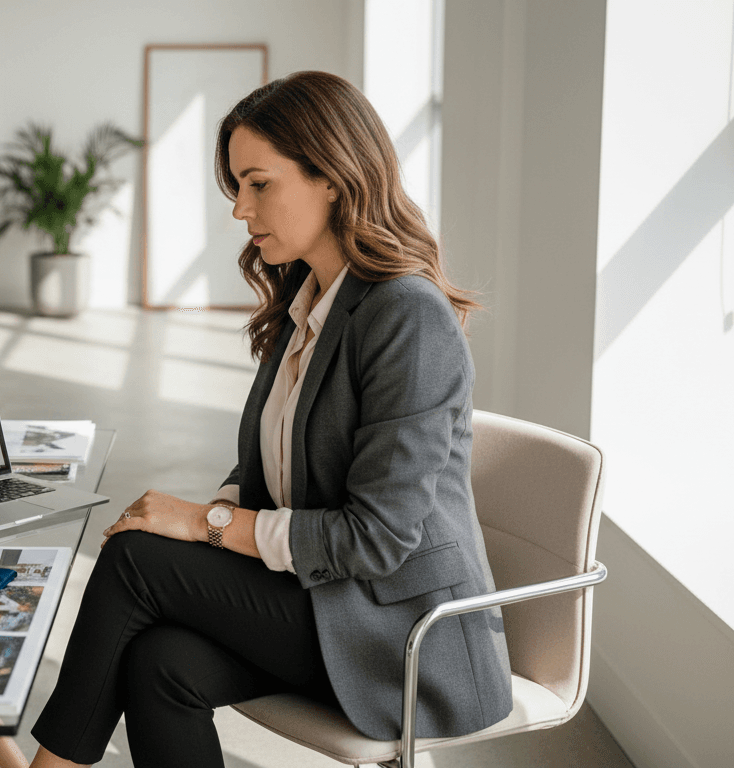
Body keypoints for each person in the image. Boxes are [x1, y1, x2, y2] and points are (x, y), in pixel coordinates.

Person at [28, 71, 513, 768]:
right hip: (323, 598)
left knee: (134, 560)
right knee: (162, 661)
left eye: (259, 185)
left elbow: (378, 540)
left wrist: (205, 525)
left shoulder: (407, 316)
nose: (240, 211)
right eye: (236, 188)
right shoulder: (305, 301)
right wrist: (215, 515)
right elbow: (264, 470)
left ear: (334, 178)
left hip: (398, 632)